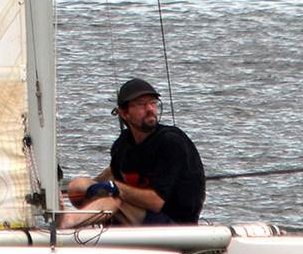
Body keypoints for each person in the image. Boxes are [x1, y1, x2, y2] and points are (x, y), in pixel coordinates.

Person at [59, 77, 204, 228]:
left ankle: (67, 223)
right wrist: (82, 190)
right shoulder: (122, 145)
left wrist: (116, 188)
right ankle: (78, 221)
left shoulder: (170, 142)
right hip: (139, 214)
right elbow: (110, 177)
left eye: (153, 103)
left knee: (116, 199)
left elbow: (156, 202)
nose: (150, 109)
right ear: (124, 113)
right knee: (77, 186)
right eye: (141, 104)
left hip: (175, 223)